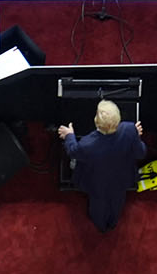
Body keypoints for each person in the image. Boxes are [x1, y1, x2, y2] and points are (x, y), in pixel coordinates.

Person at [57, 100, 145, 233]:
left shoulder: (87, 143)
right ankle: (113, 222)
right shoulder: (129, 129)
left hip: (97, 182)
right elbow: (141, 153)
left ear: (96, 121)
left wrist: (69, 135)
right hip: (121, 179)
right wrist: (136, 137)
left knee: (98, 204)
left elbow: (73, 151)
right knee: (118, 201)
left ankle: (100, 224)